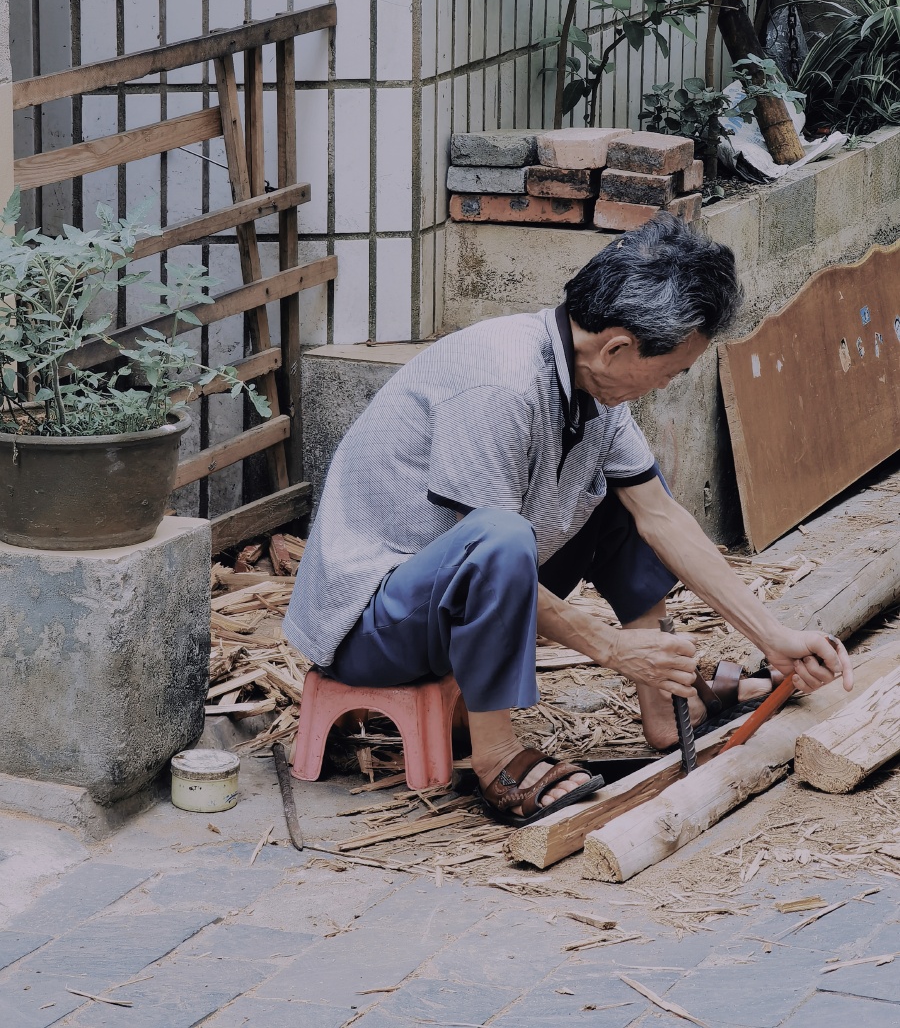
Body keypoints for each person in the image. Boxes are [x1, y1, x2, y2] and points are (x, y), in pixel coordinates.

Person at [285, 214, 853, 826]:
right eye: (672, 370)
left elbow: (659, 516)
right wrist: (613, 648)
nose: (668, 383)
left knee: (629, 497)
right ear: (616, 347)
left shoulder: (589, 382)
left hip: (450, 599)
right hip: (373, 626)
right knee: (501, 538)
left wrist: (773, 637)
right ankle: (496, 755)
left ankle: (663, 708)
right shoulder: (502, 384)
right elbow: (484, 554)